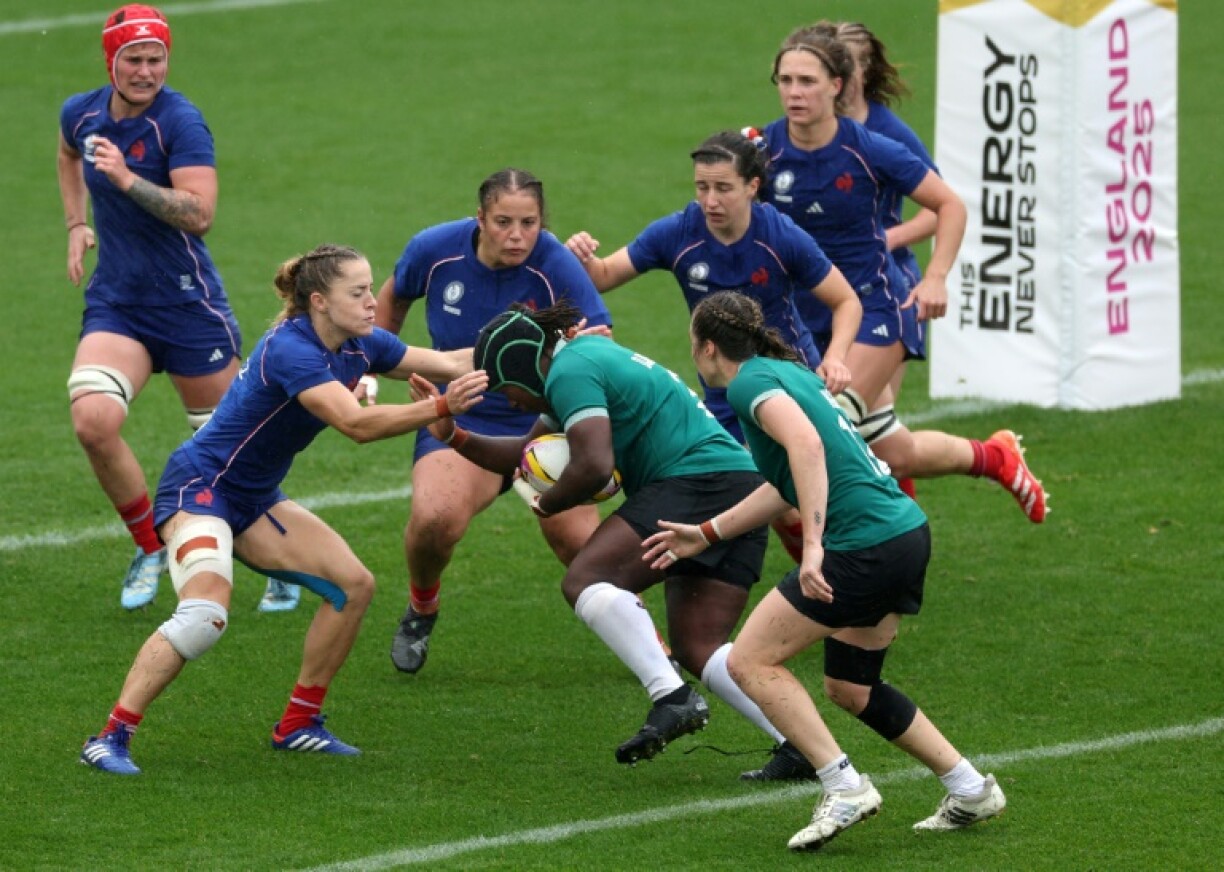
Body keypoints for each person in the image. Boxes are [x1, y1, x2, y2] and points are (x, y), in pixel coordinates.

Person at [78, 244, 488, 775]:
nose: (372, 302)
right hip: (201, 490)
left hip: (252, 499)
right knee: (205, 614)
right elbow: (356, 426)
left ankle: (298, 724)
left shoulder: (361, 343)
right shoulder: (292, 351)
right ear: (319, 301)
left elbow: (455, 361)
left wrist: (544, 344)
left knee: (353, 587)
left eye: (370, 290)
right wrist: (438, 407)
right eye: (358, 293)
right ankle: (109, 737)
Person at [643, 291, 1006, 851]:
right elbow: (785, 481)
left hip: (861, 548)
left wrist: (812, 546)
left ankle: (844, 786)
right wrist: (707, 533)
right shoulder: (790, 375)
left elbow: (807, 448)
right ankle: (970, 787)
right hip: (904, 535)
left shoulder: (746, 385)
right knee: (851, 686)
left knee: (749, 661)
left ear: (708, 347)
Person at [418, 301, 798, 768]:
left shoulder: (570, 371)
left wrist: (549, 503)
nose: (512, 402)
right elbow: (523, 454)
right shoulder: (578, 364)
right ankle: (797, 743)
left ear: (519, 368)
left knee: (586, 579)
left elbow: (593, 465)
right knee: (699, 645)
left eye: (506, 389)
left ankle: (671, 697)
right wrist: (453, 435)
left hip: (696, 483)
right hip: (736, 485)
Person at [756, 27, 1048, 523]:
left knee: (820, 435)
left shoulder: (876, 143)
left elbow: (947, 205)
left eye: (807, 80)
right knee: (892, 450)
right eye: (785, 80)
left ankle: (865, 554)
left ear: (841, 82)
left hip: (877, 307)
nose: (794, 91)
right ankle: (993, 457)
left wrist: (934, 277)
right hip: (802, 315)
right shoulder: (763, 148)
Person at [565, 129, 861, 566]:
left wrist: (835, 357)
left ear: (752, 186)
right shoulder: (679, 232)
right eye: (702, 187)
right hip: (723, 394)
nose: (710, 200)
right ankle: (809, 573)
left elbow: (846, 300)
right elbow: (606, 275)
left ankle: (824, 570)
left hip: (789, 383)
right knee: (764, 494)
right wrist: (581, 256)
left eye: (723, 188)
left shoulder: (780, 236)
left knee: (799, 489)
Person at [372, 169, 614, 673]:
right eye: (503, 222)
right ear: (479, 218)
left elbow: (601, 339)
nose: (517, 235)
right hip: (462, 416)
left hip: (546, 426)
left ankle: (653, 644)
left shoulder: (555, 263)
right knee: (434, 520)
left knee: (583, 550)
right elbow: (392, 297)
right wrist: (366, 359)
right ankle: (422, 607)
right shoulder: (435, 250)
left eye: (529, 222)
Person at [58, 4, 245, 611]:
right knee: (93, 421)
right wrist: (76, 222)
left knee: (231, 450)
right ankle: (149, 544)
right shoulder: (82, 113)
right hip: (119, 302)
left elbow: (202, 213)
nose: (145, 71)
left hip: (189, 306)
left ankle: (273, 558)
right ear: (109, 60)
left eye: (155, 58)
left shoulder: (179, 122)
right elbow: (68, 153)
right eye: (133, 59)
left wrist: (125, 181)